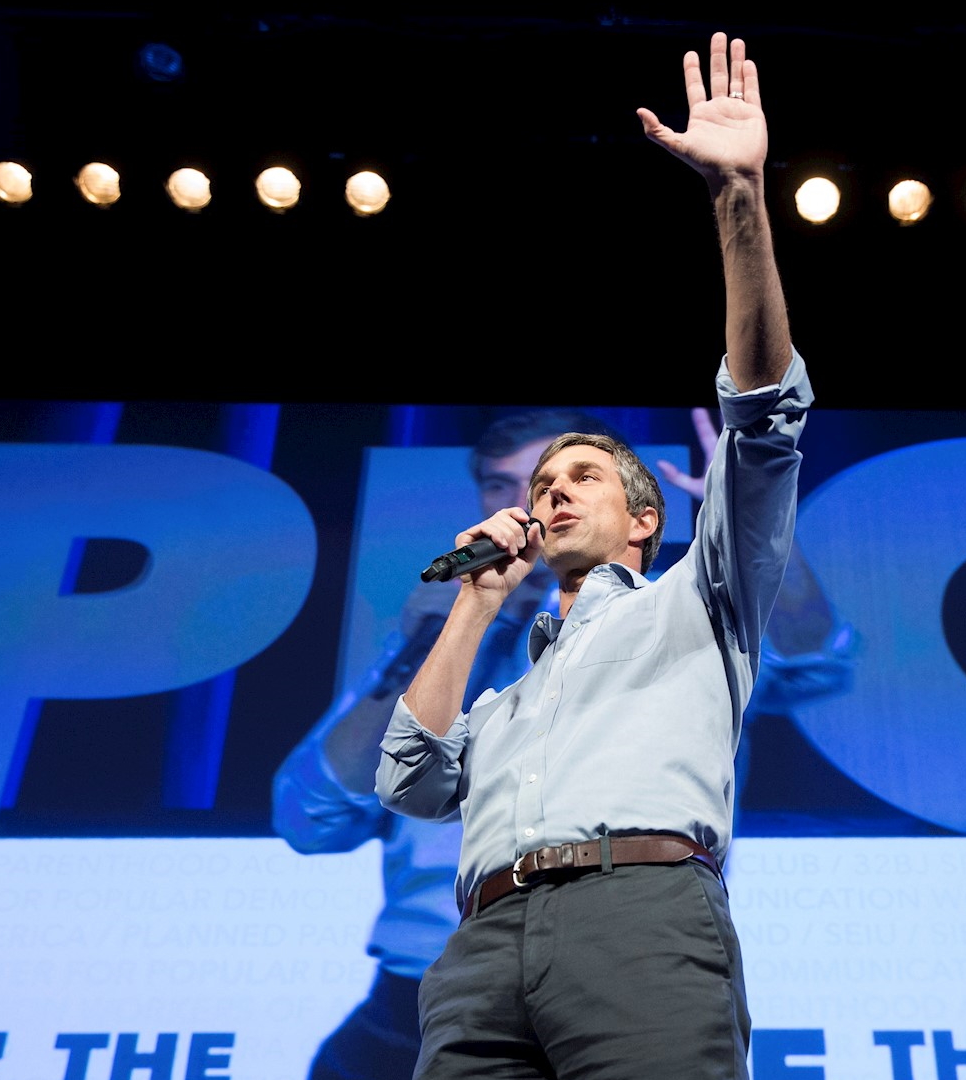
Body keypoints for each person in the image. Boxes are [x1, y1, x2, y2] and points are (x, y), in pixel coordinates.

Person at [376, 32, 807, 1079]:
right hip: (479, 949)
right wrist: (479, 601)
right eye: (539, 487)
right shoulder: (507, 703)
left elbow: (763, 421)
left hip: (640, 916)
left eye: (583, 477)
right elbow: (411, 780)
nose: (553, 491)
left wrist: (738, 201)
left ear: (646, 519)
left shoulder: (699, 600)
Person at [273, 409, 619, 1080]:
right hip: (419, 990)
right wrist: (415, 656)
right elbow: (311, 818)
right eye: (501, 484)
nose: (526, 504)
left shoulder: (671, 618)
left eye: (556, 478)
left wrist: (753, 514)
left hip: (596, 991)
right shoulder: (441, 625)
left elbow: (808, 660)